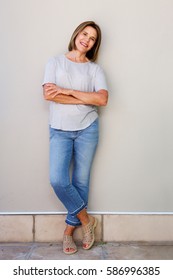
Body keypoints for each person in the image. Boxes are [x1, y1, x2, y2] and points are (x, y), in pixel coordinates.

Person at [42, 21, 108, 254]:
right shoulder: (55, 62)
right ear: (76, 34)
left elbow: (101, 100)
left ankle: (69, 233)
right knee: (58, 180)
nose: (86, 39)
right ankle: (87, 221)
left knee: (80, 182)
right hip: (59, 129)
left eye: (92, 38)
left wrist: (67, 90)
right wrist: (85, 97)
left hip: (87, 128)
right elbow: (49, 95)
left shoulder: (95, 69)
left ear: (93, 45)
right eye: (84, 34)